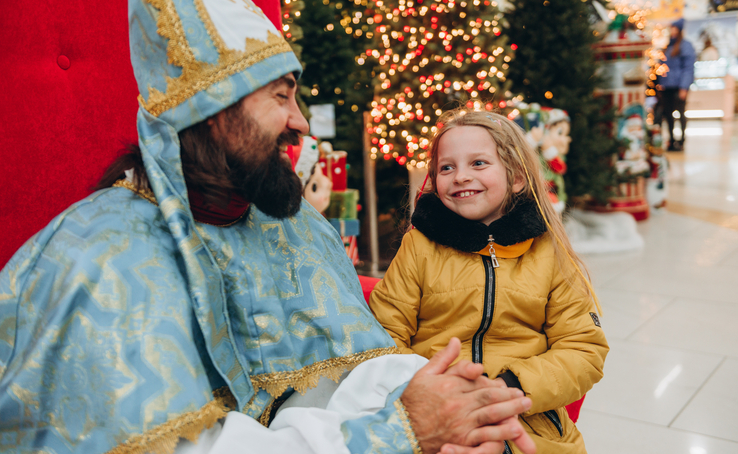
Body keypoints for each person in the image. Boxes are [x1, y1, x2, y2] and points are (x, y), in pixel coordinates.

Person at [0, 1, 537, 453]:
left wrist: (432, 394)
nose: (300, 122)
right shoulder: (103, 261)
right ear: (211, 111)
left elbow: (341, 369)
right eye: (281, 97)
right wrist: (399, 430)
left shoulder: (292, 224)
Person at [370, 109, 609, 453]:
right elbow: (382, 338)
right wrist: (432, 393)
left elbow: (584, 349)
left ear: (516, 177)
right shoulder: (419, 246)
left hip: (525, 415)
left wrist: (508, 390)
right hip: (437, 411)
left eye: (478, 163)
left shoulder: (548, 251)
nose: (461, 176)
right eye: (446, 167)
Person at [655, 18, 696, 152]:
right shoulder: (667, 46)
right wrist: (660, 84)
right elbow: (662, 68)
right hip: (667, 86)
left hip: (678, 86)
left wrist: (684, 87)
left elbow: (688, 69)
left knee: (680, 114)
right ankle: (672, 140)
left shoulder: (686, 46)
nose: (671, 31)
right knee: (668, 114)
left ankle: (681, 140)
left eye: (674, 28)